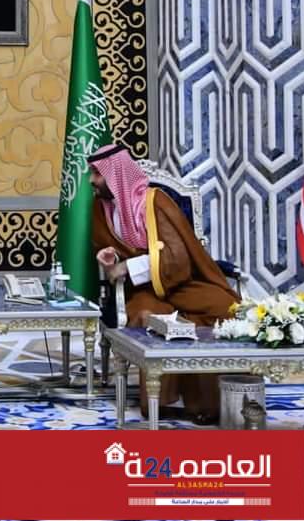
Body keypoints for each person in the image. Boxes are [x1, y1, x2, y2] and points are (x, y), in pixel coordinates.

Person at [88, 143, 239, 424]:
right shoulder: (101, 208)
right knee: (150, 318)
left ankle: (220, 400)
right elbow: (109, 245)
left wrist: (128, 266)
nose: (91, 181)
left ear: (114, 175)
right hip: (144, 290)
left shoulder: (155, 202)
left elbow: (177, 258)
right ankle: (166, 401)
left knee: (226, 307)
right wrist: (110, 256)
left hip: (182, 281)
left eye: (96, 174)